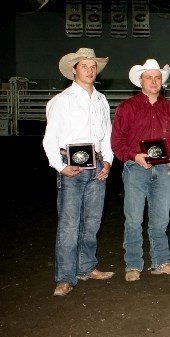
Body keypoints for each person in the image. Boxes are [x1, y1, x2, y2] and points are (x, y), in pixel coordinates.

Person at [43, 48, 115, 296]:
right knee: (69, 223)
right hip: (71, 163)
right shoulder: (61, 101)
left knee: (92, 221)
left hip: (97, 164)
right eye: (84, 66)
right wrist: (60, 165)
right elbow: (50, 138)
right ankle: (64, 277)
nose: (90, 70)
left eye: (93, 66)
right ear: (74, 70)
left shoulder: (101, 100)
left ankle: (86, 266)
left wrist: (108, 161)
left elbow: (107, 134)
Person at [111, 59, 170, 282]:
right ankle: (133, 264)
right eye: (149, 77)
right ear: (140, 81)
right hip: (136, 168)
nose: (154, 81)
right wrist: (134, 156)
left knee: (161, 219)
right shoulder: (127, 108)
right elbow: (117, 141)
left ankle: (161, 261)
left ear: (161, 81)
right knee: (134, 218)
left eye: (157, 77)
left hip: (164, 170)